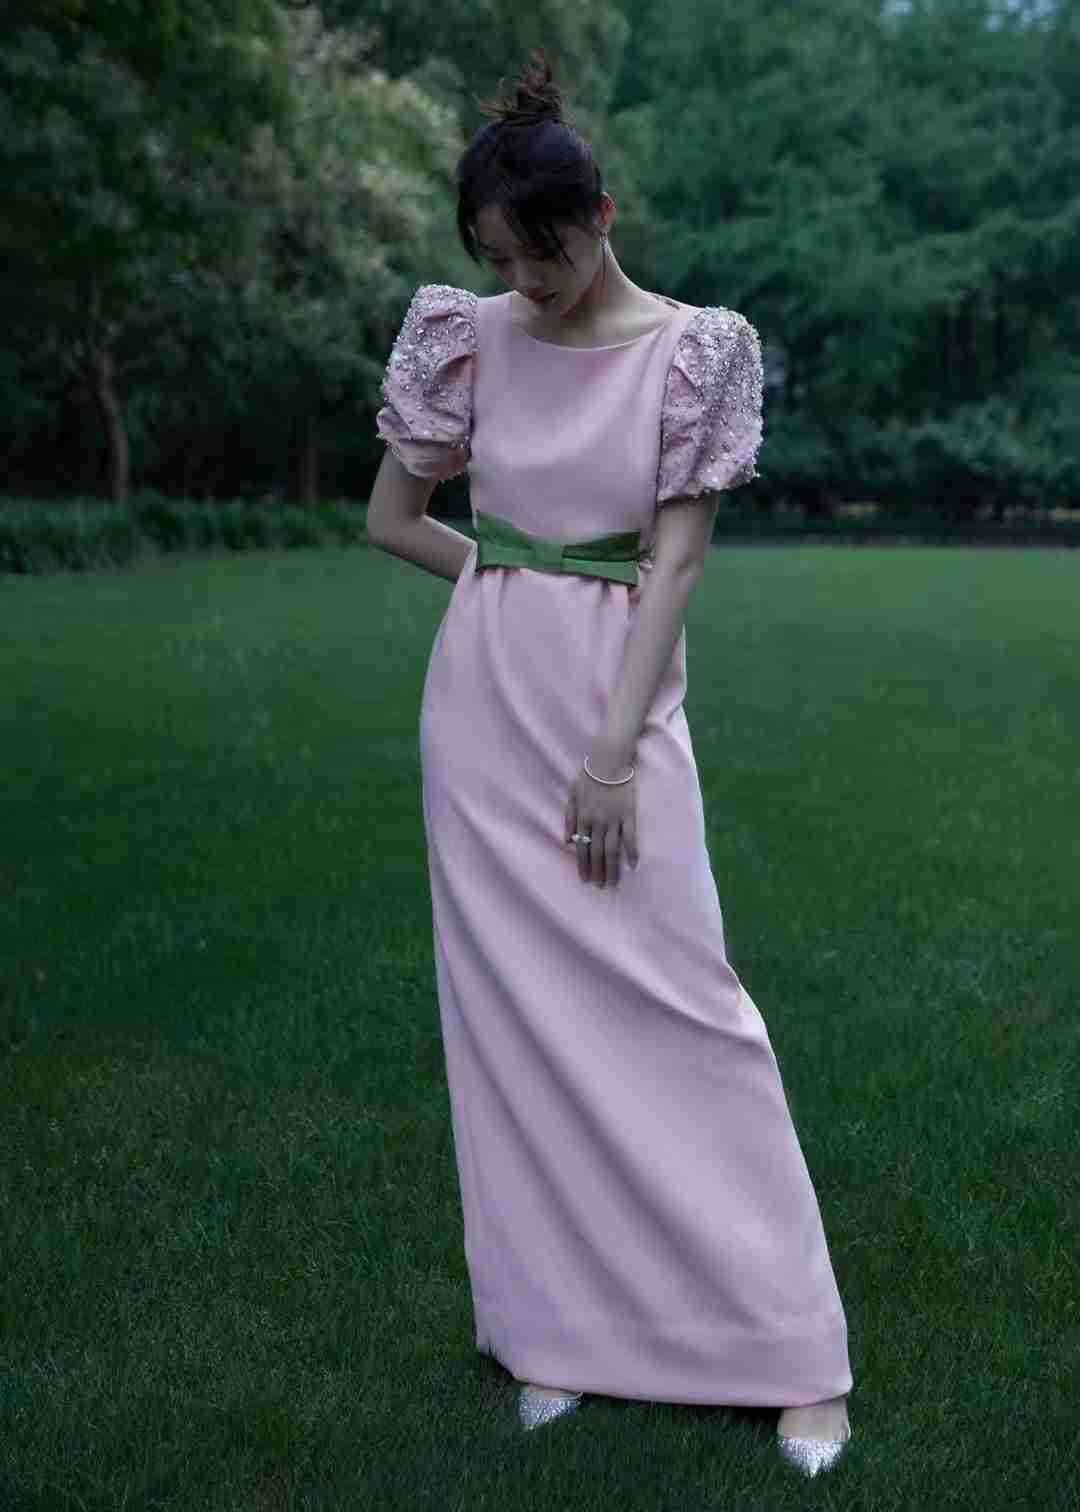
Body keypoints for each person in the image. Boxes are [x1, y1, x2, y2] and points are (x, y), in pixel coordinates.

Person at [367, 47, 854, 1479]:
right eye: (500, 260)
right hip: (481, 713)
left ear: (602, 214)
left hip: (615, 717)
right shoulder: (466, 336)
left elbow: (676, 567)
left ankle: (796, 1360)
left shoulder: (696, 350)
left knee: (693, 1007)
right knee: (513, 1027)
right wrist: (511, 580)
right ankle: (555, 1335)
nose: (525, 282)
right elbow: (393, 519)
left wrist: (612, 754)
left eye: (546, 252)